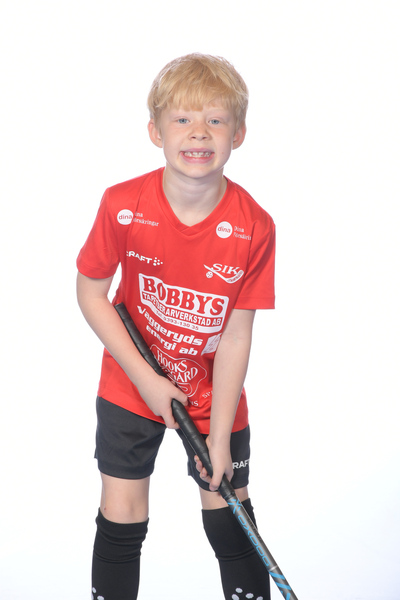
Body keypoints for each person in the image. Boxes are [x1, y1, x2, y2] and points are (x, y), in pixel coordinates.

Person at [77, 53, 275, 600]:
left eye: (215, 120)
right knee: (121, 513)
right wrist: (146, 381)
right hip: (132, 379)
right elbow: (91, 293)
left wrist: (218, 437)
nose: (199, 132)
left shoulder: (255, 225)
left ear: (238, 134)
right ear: (155, 132)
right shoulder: (122, 204)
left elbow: (236, 334)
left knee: (231, 519)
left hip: (213, 393)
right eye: (183, 119)